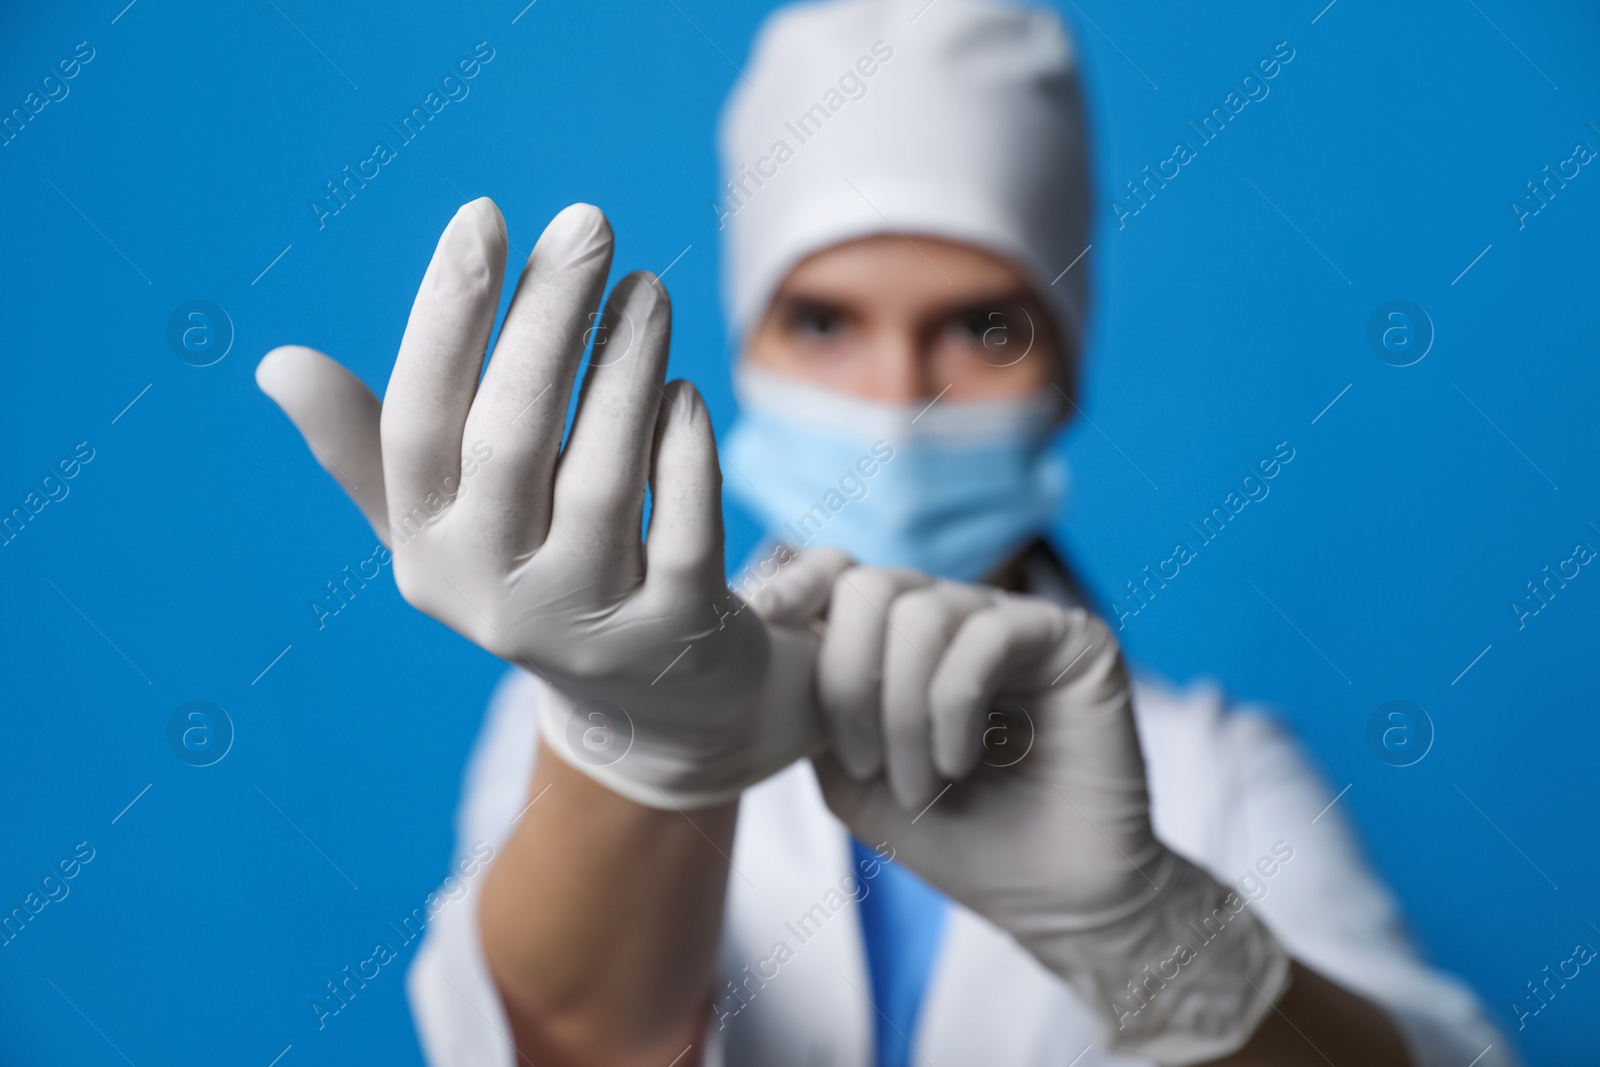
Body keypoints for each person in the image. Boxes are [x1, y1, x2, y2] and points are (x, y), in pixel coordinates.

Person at [255, 1, 1513, 1064]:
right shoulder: (577, 715)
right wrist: (646, 748)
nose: (899, 393)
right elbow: (565, 1038)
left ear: (1069, 371)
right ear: (744, 344)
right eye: (822, 321)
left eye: (984, 327)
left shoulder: (1213, 773)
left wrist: (1152, 931)